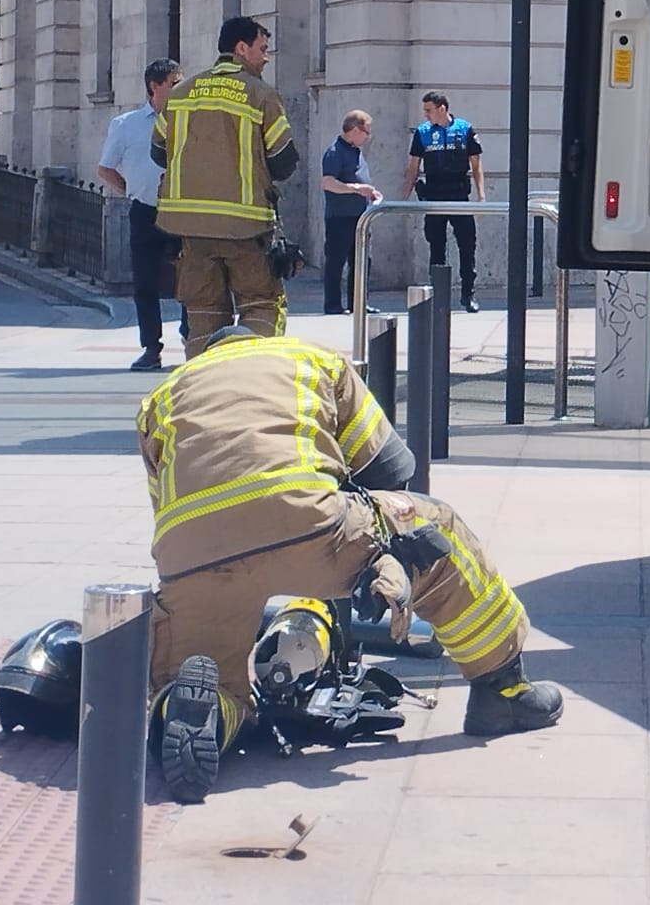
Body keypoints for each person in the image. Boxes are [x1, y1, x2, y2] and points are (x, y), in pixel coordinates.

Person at [141, 328, 563, 802]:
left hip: (192, 553)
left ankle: (202, 714)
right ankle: (502, 692)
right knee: (437, 531)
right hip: (310, 528)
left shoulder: (163, 395)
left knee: (205, 668)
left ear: (209, 354)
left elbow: (168, 500)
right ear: (256, 342)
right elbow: (391, 468)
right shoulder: (309, 358)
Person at [153, 17, 299, 357]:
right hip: (245, 228)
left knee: (203, 311)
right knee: (262, 304)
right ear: (241, 48)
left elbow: (158, 152)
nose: (265, 58)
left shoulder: (180, 93)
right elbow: (284, 161)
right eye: (262, 49)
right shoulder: (261, 95)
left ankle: (205, 388)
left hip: (189, 228)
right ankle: (253, 382)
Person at [97, 58, 188, 371]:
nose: (180, 89)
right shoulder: (127, 124)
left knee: (191, 278)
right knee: (145, 283)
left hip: (183, 210)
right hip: (145, 211)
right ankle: (152, 347)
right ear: (155, 86)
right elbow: (105, 168)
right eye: (174, 84)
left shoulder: (189, 120)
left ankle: (192, 339)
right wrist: (131, 190)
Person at [403, 91, 484, 313]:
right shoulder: (422, 132)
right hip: (434, 197)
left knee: (467, 247)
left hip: (459, 196)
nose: (425, 114)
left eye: (428, 110)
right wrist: (404, 200)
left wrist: (481, 197)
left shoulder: (464, 129)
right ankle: (439, 297)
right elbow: (412, 168)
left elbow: (476, 166)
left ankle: (468, 295)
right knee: (436, 247)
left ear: (442, 108)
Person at [320, 109, 381, 315]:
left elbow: (358, 179)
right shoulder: (335, 152)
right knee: (336, 262)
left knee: (362, 261)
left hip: (360, 215)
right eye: (366, 131)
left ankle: (358, 303)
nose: (368, 136)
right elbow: (328, 182)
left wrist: (369, 192)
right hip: (340, 217)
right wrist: (356, 189)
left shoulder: (356, 151)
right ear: (354, 130)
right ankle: (333, 305)